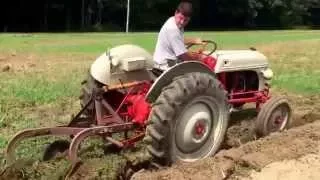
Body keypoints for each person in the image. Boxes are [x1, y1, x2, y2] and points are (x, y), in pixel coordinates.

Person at [153, 0, 206, 71]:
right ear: (176, 12)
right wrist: (199, 58)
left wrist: (194, 40)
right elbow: (183, 55)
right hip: (165, 65)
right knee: (199, 69)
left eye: (185, 20)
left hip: (167, 61)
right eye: (181, 18)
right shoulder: (172, 29)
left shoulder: (173, 21)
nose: (182, 22)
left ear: (189, 19)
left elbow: (179, 40)